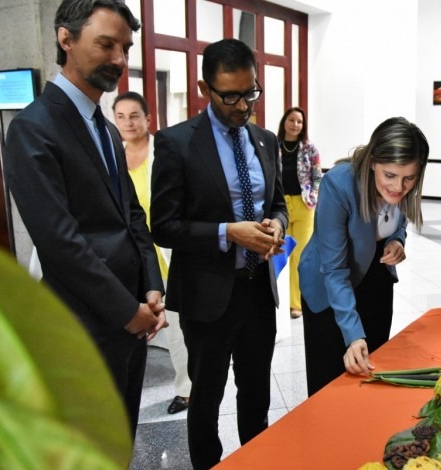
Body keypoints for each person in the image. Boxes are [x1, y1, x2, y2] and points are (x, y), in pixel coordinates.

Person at [2, 0, 166, 439]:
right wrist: (126, 310)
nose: (119, 60)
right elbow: (60, 242)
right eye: (106, 44)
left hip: (130, 317)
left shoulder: (106, 128)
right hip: (84, 324)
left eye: (126, 48)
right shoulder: (34, 128)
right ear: (66, 38)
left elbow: (132, 214)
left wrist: (151, 285)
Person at [150, 38, 287, 470]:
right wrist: (230, 233)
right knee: (206, 398)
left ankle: (255, 460)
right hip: (206, 297)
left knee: (256, 394)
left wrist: (277, 225)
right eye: (230, 95)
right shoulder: (176, 143)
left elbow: (278, 203)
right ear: (202, 87)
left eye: (251, 93)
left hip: (257, 294)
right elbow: (164, 226)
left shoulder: (265, 140)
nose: (242, 105)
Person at [299, 117, 429, 396]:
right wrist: (353, 334)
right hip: (328, 283)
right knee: (330, 385)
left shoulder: (402, 183)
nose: (398, 187)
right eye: (390, 176)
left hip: (376, 275)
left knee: (374, 370)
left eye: (409, 178)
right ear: (372, 162)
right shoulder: (339, 184)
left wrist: (397, 240)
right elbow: (334, 270)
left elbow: (397, 219)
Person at [113, 91, 192, 414]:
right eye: (120, 116)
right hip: (128, 254)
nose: (128, 123)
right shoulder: (112, 155)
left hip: (167, 250)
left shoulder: (165, 151)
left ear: (148, 119)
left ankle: (186, 388)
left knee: (176, 323)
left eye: (135, 116)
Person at [276, 106, 322, 319]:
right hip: (279, 206)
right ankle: (279, 301)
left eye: (300, 122)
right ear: (284, 121)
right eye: (292, 120)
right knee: (280, 256)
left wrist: (313, 194)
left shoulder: (309, 149)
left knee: (301, 256)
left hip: (304, 206)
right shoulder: (272, 146)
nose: (296, 125)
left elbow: (317, 176)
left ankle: (296, 304)